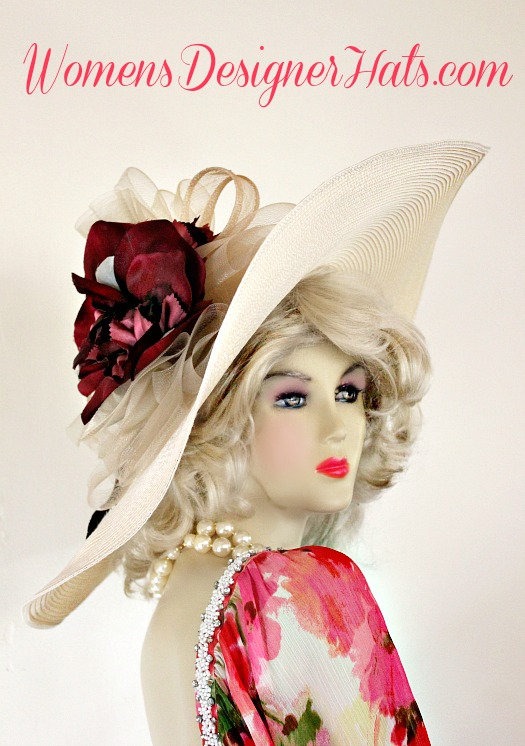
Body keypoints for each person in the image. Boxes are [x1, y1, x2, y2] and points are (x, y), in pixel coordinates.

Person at [24, 142, 487, 745]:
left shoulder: (180, 605)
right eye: (292, 398)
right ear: (222, 419)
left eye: (349, 392)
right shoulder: (302, 592)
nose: (340, 425)